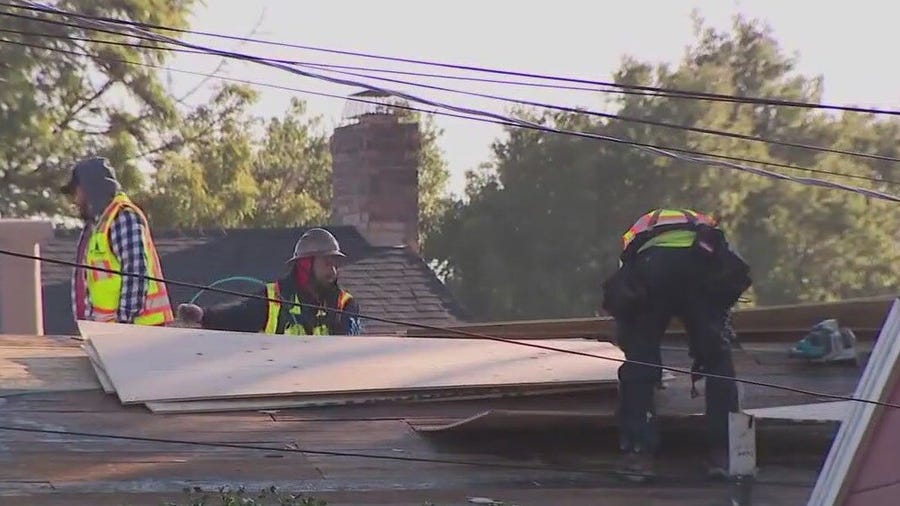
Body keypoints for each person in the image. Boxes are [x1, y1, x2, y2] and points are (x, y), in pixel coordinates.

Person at [601, 208, 752, 482]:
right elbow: (731, 266)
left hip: (652, 267)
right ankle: (724, 454)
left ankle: (639, 453)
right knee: (717, 360)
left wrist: (632, 339)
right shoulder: (703, 225)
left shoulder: (641, 227)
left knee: (641, 361)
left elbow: (627, 277)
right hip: (702, 264)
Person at [176, 228, 362, 335]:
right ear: (306, 266)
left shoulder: (345, 305)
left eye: (335, 265)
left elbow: (348, 352)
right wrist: (203, 315)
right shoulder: (273, 297)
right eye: (327, 263)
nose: (333, 271)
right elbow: (239, 316)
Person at [61, 157, 174, 326]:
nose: (75, 200)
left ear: (89, 190)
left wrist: (122, 327)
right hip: (108, 336)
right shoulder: (96, 227)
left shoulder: (123, 217)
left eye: (76, 192)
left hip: (138, 335)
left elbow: (135, 273)